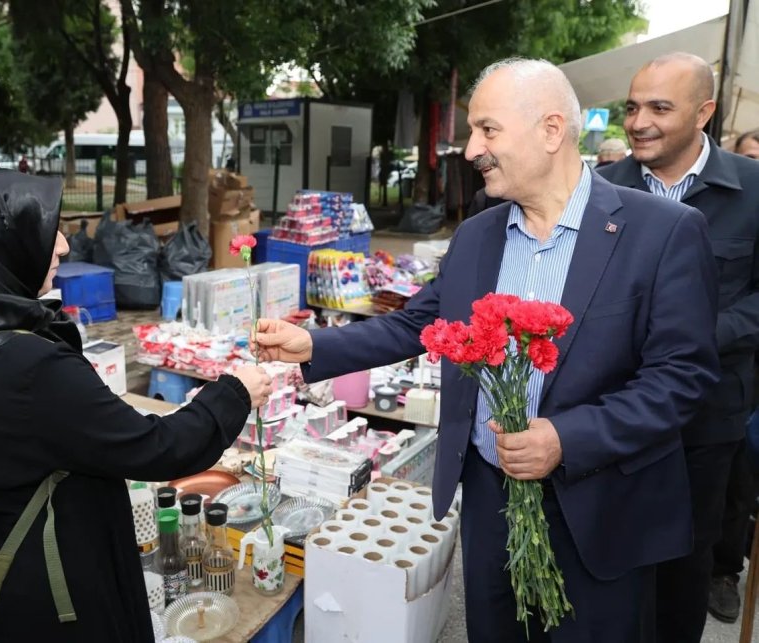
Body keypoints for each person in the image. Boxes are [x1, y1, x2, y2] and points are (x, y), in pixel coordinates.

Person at [255, 57, 720, 642]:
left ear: (551, 131)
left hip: (602, 506)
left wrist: (565, 438)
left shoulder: (664, 231)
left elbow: (681, 380)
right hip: (489, 500)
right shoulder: (479, 232)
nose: (472, 148)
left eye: (487, 129)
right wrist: (311, 346)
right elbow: (418, 324)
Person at [0, 169, 272, 642]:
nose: (64, 248)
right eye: (44, 232)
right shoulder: (26, 366)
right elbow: (156, 448)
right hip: (55, 599)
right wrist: (235, 391)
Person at [598, 52, 759, 642]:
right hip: (608, 411)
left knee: (682, 560)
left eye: (660, 107)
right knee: (607, 553)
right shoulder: (598, 189)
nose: (639, 121)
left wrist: (689, 340)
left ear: (704, 112)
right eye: (633, 107)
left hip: (704, 420)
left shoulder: (753, 191)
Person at [705, 126, 759, 624]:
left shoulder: (753, 192)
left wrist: (709, 332)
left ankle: (722, 569)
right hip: (628, 391)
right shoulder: (615, 183)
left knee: (727, 489)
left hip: (724, 387)